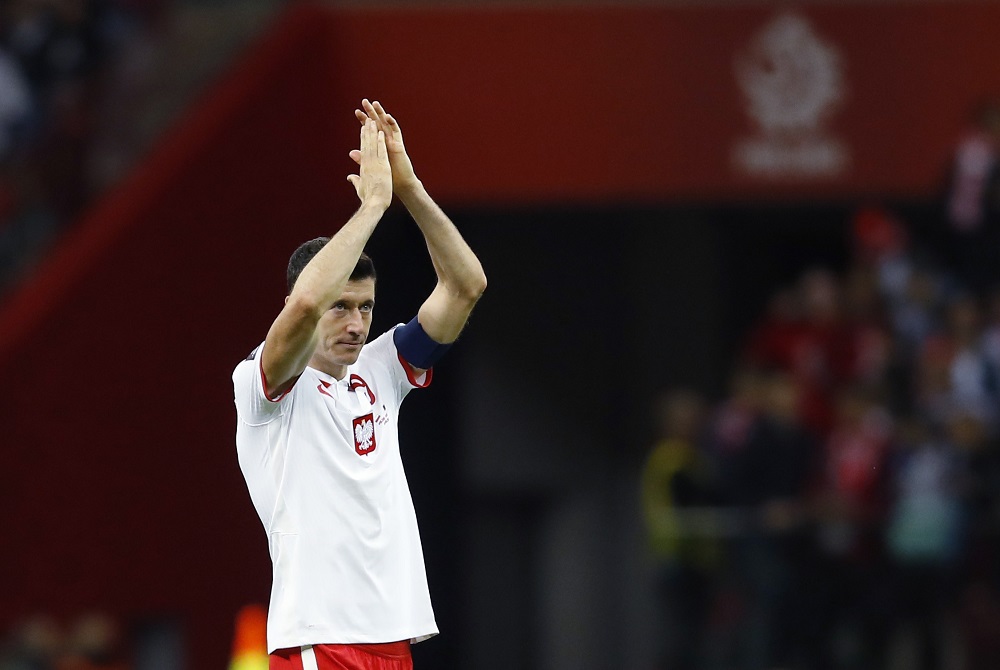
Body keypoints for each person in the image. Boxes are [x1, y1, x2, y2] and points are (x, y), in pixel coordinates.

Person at [232, 99, 487, 670]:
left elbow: (466, 285)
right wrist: (372, 206)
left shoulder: (382, 369)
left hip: (393, 636)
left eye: (366, 308)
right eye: (341, 307)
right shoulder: (264, 386)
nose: (356, 324)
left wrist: (409, 190)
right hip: (321, 637)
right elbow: (304, 306)